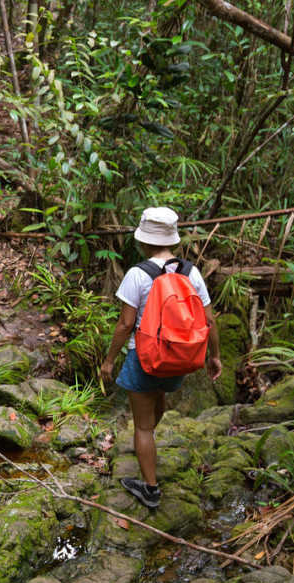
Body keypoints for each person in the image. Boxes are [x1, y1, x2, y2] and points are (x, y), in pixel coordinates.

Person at [100, 207, 221, 510]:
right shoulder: (190, 272)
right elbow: (210, 320)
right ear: (172, 239)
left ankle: (149, 489)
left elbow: (126, 324)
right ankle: (148, 445)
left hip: (143, 358)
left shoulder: (137, 274)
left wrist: (109, 361)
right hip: (179, 358)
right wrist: (214, 356)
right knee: (158, 400)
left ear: (142, 241)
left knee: (142, 427)